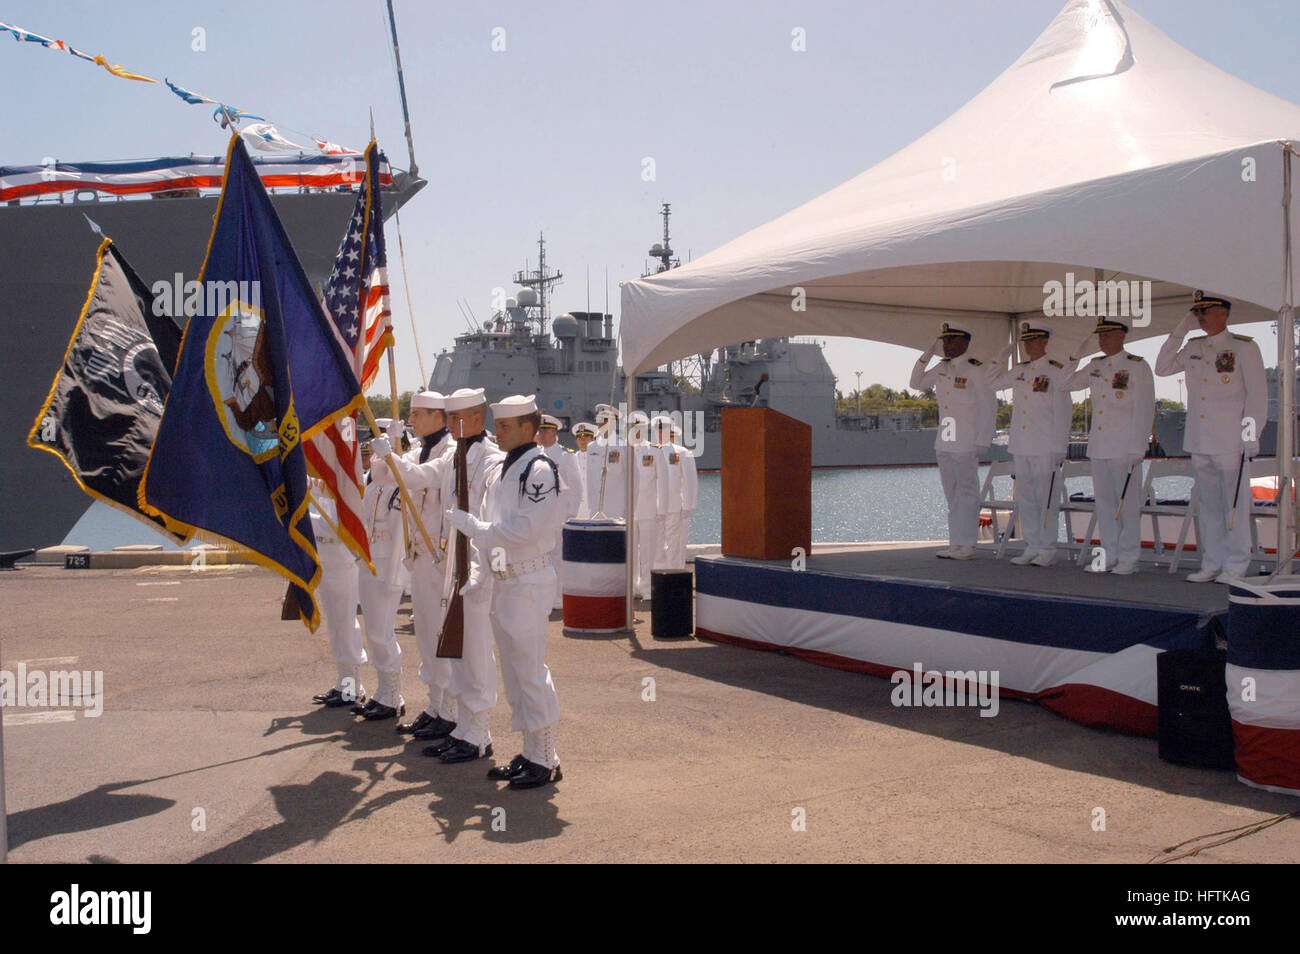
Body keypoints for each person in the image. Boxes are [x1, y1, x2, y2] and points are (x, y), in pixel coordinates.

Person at [374, 387, 504, 760]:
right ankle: (461, 723)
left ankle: (477, 731)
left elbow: (493, 517)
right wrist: (390, 454)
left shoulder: (491, 460)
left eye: (453, 418)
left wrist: (483, 570)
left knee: (474, 650)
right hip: (447, 564)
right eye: (445, 418)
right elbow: (417, 476)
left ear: (475, 419)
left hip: (475, 568)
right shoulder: (453, 457)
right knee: (451, 645)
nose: (448, 426)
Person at [445, 395, 564, 788]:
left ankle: (546, 757)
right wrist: (483, 571)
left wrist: (475, 529)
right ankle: (531, 751)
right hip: (504, 580)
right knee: (514, 674)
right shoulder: (504, 470)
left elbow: (525, 530)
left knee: (530, 671)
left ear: (529, 427)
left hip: (529, 581)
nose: (498, 431)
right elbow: (498, 528)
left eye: (506, 426)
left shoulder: (540, 470)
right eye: (497, 424)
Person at [1155, 291, 1267, 583]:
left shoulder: (1243, 348)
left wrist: (1251, 435)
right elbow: (1163, 367)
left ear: (1224, 313)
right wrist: (1180, 330)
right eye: (1198, 312)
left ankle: (1236, 564)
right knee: (1209, 505)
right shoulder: (1194, 346)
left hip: (1230, 440)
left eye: (1207, 311)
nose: (1201, 317)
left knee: (1234, 504)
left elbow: (1256, 396)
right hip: (1200, 440)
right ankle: (1212, 562)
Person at [381, 391, 459, 739]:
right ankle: (434, 705)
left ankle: (450, 710)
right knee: (426, 632)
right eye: (410, 414)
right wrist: (390, 444)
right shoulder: (418, 449)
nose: (412, 420)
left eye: (417, 414)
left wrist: (395, 457)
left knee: (442, 632)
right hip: (420, 553)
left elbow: (417, 477)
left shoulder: (452, 451)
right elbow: (385, 475)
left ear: (439, 417)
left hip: (440, 554)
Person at [1065, 319, 1155, 575]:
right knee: (1104, 504)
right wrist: (1075, 356)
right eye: (1099, 336)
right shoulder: (1095, 365)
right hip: (1100, 445)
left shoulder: (1137, 366)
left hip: (1125, 446)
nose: (1101, 340)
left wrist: (1139, 445)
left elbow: (1145, 408)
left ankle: (1128, 557)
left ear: (1121, 335)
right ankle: (1108, 554)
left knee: (1126, 503)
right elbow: (1065, 383)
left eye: (1107, 335)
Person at [987, 324, 1076, 566]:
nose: (1027, 345)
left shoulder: (1056, 371)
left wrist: (1060, 446)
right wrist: (1000, 359)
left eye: (1032, 340)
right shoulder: (1020, 370)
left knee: (1045, 498)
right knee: (1026, 498)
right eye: (1025, 341)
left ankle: (1047, 548)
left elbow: (1063, 412)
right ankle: (1032, 545)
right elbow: (992, 384)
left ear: (1044, 341)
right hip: (1022, 444)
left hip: (1045, 445)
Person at [909, 323, 996, 560]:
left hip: (966, 438)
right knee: (952, 494)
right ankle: (955, 543)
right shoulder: (941, 367)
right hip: (945, 439)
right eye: (944, 342)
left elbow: (989, 406)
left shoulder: (976, 370)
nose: (945, 346)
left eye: (950, 341)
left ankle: (968, 544)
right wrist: (925, 356)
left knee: (967, 492)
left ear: (964, 343)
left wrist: (983, 439)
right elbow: (915, 383)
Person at [351, 438, 406, 720]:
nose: (371, 456)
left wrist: (397, 576)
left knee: (382, 630)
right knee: (374, 630)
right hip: (369, 559)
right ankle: (383, 691)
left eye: (376, 452)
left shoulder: (397, 488)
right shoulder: (372, 485)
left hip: (386, 564)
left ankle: (393, 696)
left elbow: (399, 535)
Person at [308, 477, 368, 708]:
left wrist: (305, 521)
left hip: (342, 559)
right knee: (335, 625)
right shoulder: (333, 480)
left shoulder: (353, 482)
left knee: (344, 623)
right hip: (327, 557)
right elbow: (323, 491)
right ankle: (344, 683)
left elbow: (338, 526)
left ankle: (353, 688)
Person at [536, 413, 585, 609]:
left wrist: (570, 514)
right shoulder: (536, 454)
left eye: (545, 430)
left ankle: (558, 597)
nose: (541, 433)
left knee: (557, 558)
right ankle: (542, 595)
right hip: (539, 516)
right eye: (540, 430)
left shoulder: (565, 455)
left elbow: (576, 486)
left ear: (554, 432)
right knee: (540, 557)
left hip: (558, 516)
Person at [627, 411, 667, 600]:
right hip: (628, 511)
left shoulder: (654, 450)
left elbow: (663, 482)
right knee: (630, 551)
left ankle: (646, 588)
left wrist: (662, 509)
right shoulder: (622, 450)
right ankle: (633, 586)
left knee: (648, 552)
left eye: (639, 427)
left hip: (648, 509)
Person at [653, 416, 698, 570]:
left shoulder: (682, 452)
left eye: (664, 430)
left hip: (674, 506)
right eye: (658, 430)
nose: (661, 433)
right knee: (656, 545)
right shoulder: (649, 452)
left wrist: (688, 505)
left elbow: (690, 481)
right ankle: (657, 576)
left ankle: (674, 574)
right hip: (654, 506)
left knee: (674, 545)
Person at [585, 403, 628, 520]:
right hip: (596, 510)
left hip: (617, 510)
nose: (601, 423)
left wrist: (628, 509)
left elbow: (632, 479)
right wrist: (591, 506)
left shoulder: (623, 447)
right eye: (599, 419)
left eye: (605, 419)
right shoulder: (591, 447)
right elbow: (589, 479)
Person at [570, 422, 597, 517]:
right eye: (579, 438)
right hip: (577, 510)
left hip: (594, 509)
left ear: (593, 439)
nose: (582, 440)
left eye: (586, 437)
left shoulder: (600, 458)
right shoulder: (571, 459)